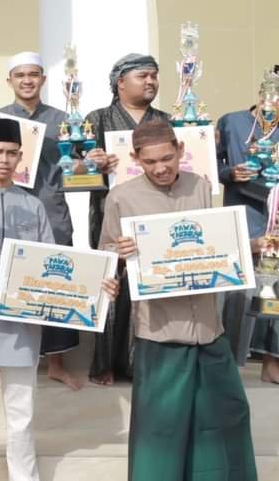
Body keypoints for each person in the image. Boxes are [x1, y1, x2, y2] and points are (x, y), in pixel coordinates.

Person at [0, 118, 118, 481]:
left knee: (22, 414)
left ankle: (25, 476)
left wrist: (97, 286)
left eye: (11, 153)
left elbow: (53, 266)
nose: (3, 160)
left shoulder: (32, 206)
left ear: (21, 157)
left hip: (20, 328)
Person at [102, 120, 257, 481]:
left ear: (181, 151)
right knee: (160, 431)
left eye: (167, 158)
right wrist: (119, 254)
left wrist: (252, 245)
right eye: (150, 161)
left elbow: (220, 245)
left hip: (209, 329)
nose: (161, 168)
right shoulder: (121, 197)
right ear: (135, 158)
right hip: (160, 335)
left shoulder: (202, 187)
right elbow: (107, 255)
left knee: (227, 417)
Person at [0, 52, 94, 390]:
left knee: (55, 284)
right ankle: (2, 360)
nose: (27, 80)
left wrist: (92, 161)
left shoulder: (63, 119)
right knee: (5, 281)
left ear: (43, 79)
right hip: (6, 211)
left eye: (34, 74)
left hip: (51, 210)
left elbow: (82, 163)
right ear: (9, 80)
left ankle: (56, 361)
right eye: (20, 74)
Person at [84, 52, 169, 385]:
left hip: (157, 216)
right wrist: (90, 162)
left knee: (152, 286)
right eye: (142, 76)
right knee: (110, 283)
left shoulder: (165, 120)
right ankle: (104, 363)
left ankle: (142, 364)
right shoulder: (97, 118)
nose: (150, 82)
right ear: (121, 82)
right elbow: (72, 169)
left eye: (154, 76)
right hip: (110, 213)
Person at [216, 66, 279, 382]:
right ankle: (228, 362)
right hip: (243, 216)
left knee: (276, 292)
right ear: (263, 94)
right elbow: (207, 163)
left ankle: (272, 362)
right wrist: (229, 174)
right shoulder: (231, 122)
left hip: (276, 219)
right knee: (239, 294)